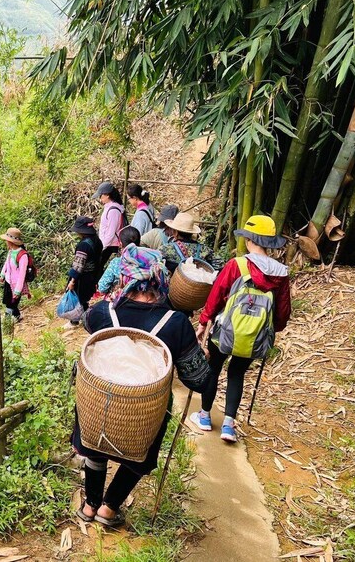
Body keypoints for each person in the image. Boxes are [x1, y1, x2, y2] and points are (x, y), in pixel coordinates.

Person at [76, 249, 210, 527]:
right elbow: (198, 380)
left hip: (100, 401)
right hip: (146, 407)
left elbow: (89, 325)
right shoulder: (176, 324)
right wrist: (202, 357)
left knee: (95, 443)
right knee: (138, 449)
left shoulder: (103, 312)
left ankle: (90, 505)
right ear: (161, 279)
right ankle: (109, 508)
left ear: (124, 278)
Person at [192, 215, 291, 443]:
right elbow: (283, 309)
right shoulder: (281, 273)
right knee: (237, 373)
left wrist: (204, 320)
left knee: (213, 368)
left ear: (249, 240)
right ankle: (228, 425)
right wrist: (273, 329)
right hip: (255, 336)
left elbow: (216, 296)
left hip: (226, 330)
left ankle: (205, 417)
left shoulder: (236, 265)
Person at [65, 216, 103, 326]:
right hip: (93, 274)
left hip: (83, 276)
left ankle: (74, 321)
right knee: (84, 298)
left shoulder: (83, 245)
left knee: (77, 297)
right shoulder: (97, 240)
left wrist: (72, 281)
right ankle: (85, 317)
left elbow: (78, 265)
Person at [96, 225, 141, 298]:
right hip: (144, 298)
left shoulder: (117, 262)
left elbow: (102, 287)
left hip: (122, 300)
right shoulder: (148, 260)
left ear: (120, 244)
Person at [92, 181, 126, 269]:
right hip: (106, 243)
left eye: (101, 195)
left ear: (107, 195)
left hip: (110, 244)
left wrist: (102, 247)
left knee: (98, 267)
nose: (100, 198)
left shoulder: (113, 210)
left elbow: (110, 232)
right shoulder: (110, 207)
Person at [0, 227, 30, 322]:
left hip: (16, 284)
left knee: (11, 304)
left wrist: (17, 291)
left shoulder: (23, 255)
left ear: (11, 242)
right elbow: (6, 263)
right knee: (8, 302)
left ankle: (6, 323)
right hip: (9, 281)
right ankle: (17, 316)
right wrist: (2, 275)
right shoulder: (11, 251)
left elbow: (22, 275)